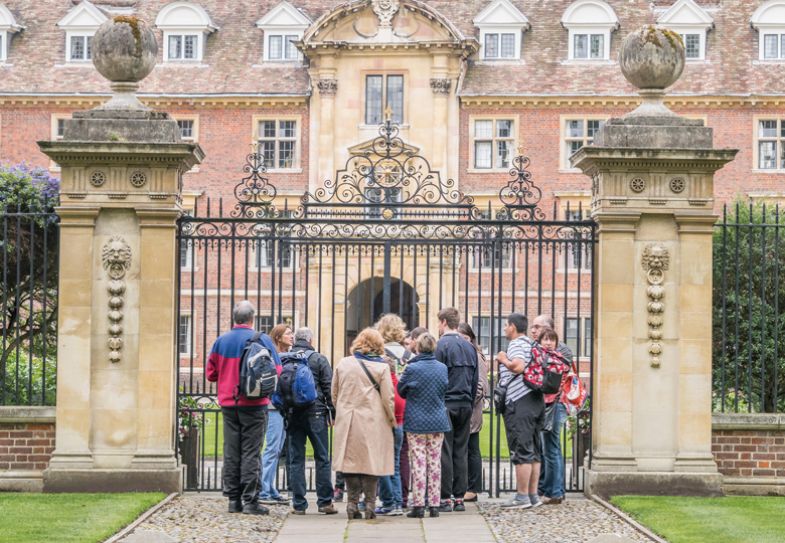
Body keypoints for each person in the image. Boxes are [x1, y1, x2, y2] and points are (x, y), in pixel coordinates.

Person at [206, 300, 280, 515]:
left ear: (234, 318)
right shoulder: (263, 340)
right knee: (251, 452)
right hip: (255, 404)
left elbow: (211, 374)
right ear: (252, 318)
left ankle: (233, 500)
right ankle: (250, 500)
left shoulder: (221, 341)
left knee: (231, 451)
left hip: (229, 403)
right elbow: (276, 369)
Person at [332, 327, 396, 520]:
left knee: (350, 463)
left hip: (348, 419)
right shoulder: (382, 367)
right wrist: (391, 419)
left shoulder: (343, 363)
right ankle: (369, 504)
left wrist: (343, 408)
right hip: (373, 420)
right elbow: (388, 398)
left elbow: (334, 393)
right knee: (371, 463)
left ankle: (352, 503)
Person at [285, 327, 338, 515]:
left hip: (292, 412)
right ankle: (324, 502)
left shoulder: (286, 358)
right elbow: (329, 388)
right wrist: (332, 412)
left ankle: (299, 504)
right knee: (322, 457)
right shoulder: (318, 359)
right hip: (316, 412)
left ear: (295, 340)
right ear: (310, 340)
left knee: (296, 458)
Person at [398, 332, 451, 518]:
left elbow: (401, 390)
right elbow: (445, 388)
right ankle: (434, 505)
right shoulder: (442, 368)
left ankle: (419, 505)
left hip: (416, 421)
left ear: (418, 348)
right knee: (434, 462)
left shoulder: (412, 368)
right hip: (438, 420)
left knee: (419, 462)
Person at [496, 312, 543, 509]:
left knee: (522, 450)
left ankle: (522, 497)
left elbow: (518, 366)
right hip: (535, 400)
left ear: (513, 327)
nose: (505, 328)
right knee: (534, 451)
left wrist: (503, 359)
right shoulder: (532, 344)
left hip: (519, 401)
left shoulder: (516, 344)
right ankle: (533, 496)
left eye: (506, 325)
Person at [435, 307, 479, 512]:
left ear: (443, 322)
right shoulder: (469, 347)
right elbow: (475, 379)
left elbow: (437, 377)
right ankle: (459, 497)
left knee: (445, 450)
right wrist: (469, 402)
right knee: (461, 451)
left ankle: (445, 497)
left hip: (446, 403)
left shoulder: (441, 345)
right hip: (465, 403)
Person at [375, 314, 407, 516]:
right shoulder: (408, 353)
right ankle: (398, 500)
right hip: (405, 406)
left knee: (384, 461)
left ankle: (389, 501)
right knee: (398, 459)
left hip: (387, 408)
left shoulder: (380, 354)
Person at [259, 323, 293, 505]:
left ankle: (270, 488)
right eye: (288, 333)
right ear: (278, 337)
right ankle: (264, 491)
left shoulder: (284, 356)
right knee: (272, 449)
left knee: (277, 449)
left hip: (280, 408)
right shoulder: (272, 357)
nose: (292, 336)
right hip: (273, 407)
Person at [536, 327, 571, 505]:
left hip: (553, 406)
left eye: (552, 339)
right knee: (550, 449)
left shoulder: (554, 360)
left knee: (551, 450)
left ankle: (554, 492)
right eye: (545, 339)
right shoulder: (550, 358)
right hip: (549, 406)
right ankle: (553, 490)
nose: (548, 342)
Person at [457, 322, 489, 502]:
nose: (463, 342)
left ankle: (473, 488)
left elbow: (481, 386)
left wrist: (465, 402)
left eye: (466, 338)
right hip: (464, 409)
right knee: (464, 449)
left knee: (472, 449)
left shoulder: (476, 356)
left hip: (471, 410)